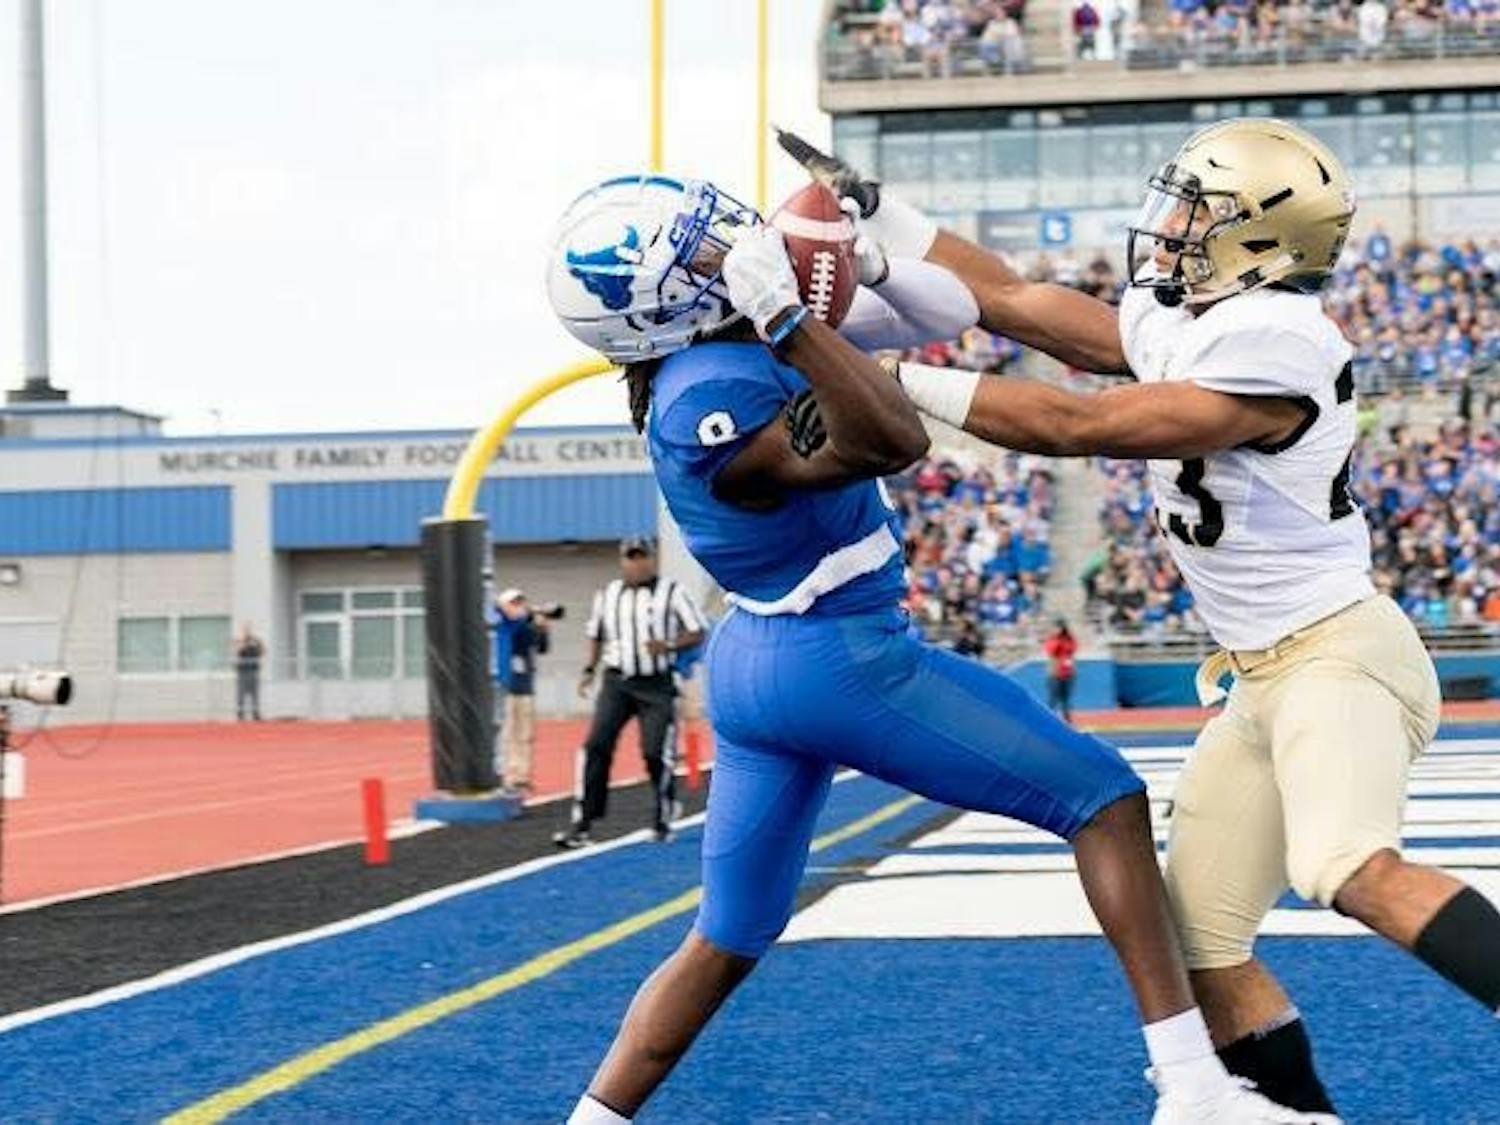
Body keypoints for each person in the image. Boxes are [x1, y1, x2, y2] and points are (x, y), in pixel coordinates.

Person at [546, 174, 1311, 1124]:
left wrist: (865, 260)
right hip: (833, 655)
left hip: (756, 660)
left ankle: (593, 1117)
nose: (732, 240)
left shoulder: (715, 348)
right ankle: (1195, 1089)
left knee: (727, 936)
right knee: (1106, 798)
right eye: (703, 246)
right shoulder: (711, 392)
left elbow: (928, 315)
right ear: (662, 298)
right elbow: (892, 435)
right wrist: (787, 315)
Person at [787, 117, 1500, 1117]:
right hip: (1262, 679)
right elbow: (1020, 302)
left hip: (1341, 660)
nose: (1167, 227)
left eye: (1195, 212)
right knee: (1197, 942)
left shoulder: (1282, 342)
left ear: (1259, 238)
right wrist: (884, 219)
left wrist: (890, 376)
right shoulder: (1207, 313)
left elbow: (1085, 426)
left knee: (1344, 866)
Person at [557, 538, 707, 847]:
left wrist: (667, 645)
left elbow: (697, 630)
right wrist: (589, 670)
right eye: (631, 558)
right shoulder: (608, 594)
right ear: (623, 560)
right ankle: (582, 822)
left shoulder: (672, 592)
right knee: (595, 746)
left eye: (642, 557)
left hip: (657, 683)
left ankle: (663, 815)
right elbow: (596, 634)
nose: (636, 563)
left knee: (655, 752)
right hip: (617, 682)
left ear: (652, 559)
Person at [492, 587, 550, 797]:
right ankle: (506, 775)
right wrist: (527, 616)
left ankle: (521, 777)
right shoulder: (501, 623)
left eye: (521, 602)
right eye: (513, 603)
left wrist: (542, 629)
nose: (519, 607)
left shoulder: (525, 625)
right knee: (507, 732)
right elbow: (511, 625)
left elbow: (540, 647)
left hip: (525, 684)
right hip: (504, 684)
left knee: (525, 734)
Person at [1044, 617, 1079, 721]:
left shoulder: (1070, 639)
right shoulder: (1052, 639)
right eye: (1055, 627)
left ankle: (1067, 721)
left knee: (1066, 700)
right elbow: (1051, 650)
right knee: (1052, 700)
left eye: (1059, 627)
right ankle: (1049, 720)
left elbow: (1073, 648)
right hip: (1054, 674)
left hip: (1069, 673)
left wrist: (1064, 641)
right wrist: (1057, 639)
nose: (1057, 630)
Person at [234, 624, 264, 722]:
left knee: (255, 694)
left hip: (254, 671)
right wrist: (243, 642)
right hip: (243, 672)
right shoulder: (240, 642)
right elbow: (237, 651)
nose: (247, 633)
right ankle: (240, 715)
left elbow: (262, 651)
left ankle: (256, 714)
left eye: (248, 630)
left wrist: (256, 641)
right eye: (245, 630)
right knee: (241, 694)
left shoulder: (255, 643)